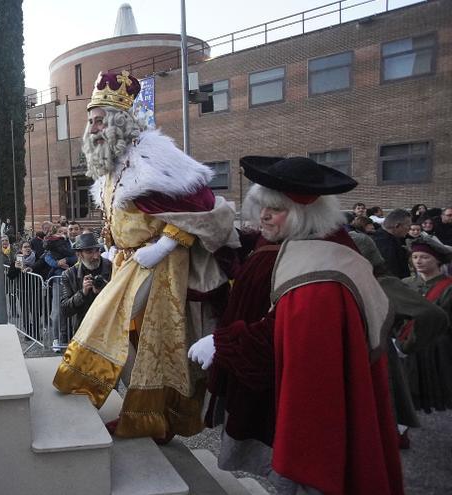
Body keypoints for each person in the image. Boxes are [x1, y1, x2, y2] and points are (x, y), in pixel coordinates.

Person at [188, 155, 403, 495]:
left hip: (317, 409)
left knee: (310, 474)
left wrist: (223, 342)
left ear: (305, 214)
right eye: (262, 206)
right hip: (303, 390)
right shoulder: (313, 244)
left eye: (276, 209)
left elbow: (287, 336)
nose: (264, 216)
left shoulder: (319, 275)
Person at [53, 70, 239, 441]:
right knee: (125, 333)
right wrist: (113, 242)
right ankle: (135, 407)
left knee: (138, 334)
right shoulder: (109, 164)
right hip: (129, 262)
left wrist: (165, 245)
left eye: (100, 120)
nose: (93, 128)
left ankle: (146, 414)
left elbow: (202, 207)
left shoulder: (153, 156)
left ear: (120, 120)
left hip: (163, 265)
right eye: (91, 121)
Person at [402, 240, 452, 413]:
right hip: (408, 345)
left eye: (424, 257)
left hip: (438, 348)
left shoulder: (449, 287)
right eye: (415, 257)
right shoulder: (406, 284)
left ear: (437, 260)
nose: (418, 261)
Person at [60, 232, 112, 335]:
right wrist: (83, 293)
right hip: (83, 329)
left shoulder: (112, 267)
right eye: (89, 252)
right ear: (79, 254)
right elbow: (65, 310)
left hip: (109, 326)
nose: (96, 256)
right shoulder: (69, 275)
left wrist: (104, 291)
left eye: (97, 250)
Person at [373, 209, 412, 279]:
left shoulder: (393, 236)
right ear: (397, 226)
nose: (409, 229)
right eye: (408, 226)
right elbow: (392, 272)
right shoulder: (384, 243)